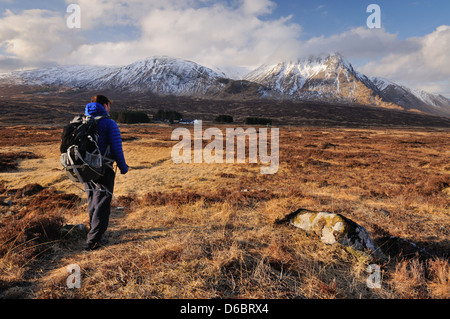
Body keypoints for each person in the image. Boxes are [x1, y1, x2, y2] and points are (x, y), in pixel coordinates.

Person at [84, 95, 128, 250]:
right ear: (104, 105)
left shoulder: (85, 121)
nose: (110, 108)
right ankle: (94, 240)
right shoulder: (109, 123)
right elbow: (117, 148)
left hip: (86, 168)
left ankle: (92, 232)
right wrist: (123, 167)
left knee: (92, 199)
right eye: (109, 105)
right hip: (104, 168)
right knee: (102, 202)